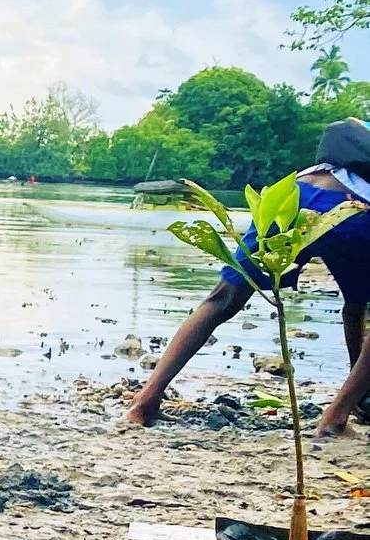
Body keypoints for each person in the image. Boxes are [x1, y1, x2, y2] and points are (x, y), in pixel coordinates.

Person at [124, 118, 370, 433]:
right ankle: (335, 419)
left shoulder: (355, 131)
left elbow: (355, 306)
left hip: (292, 193)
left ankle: (144, 402)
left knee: (223, 297)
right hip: (351, 208)